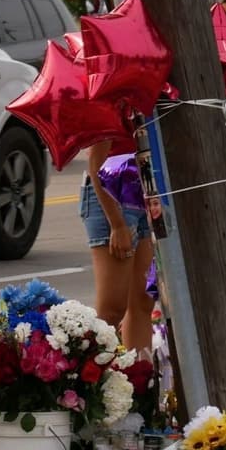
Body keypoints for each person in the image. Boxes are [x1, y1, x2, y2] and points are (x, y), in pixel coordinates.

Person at [81, 137, 155, 354]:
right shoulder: (108, 103)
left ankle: (140, 380)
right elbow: (96, 164)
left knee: (143, 301)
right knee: (112, 310)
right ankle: (87, 380)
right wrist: (117, 224)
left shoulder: (152, 102)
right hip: (111, 195)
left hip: (144, 191)